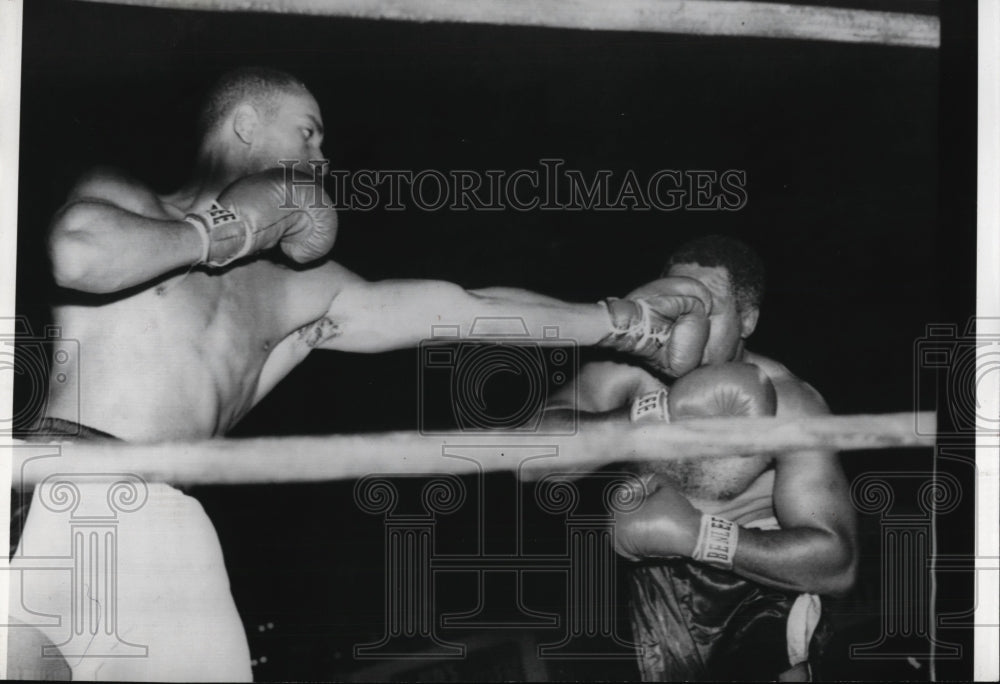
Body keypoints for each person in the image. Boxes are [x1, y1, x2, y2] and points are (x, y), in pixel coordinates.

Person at [10, 67, 717, 680]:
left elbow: (466, 309)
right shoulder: (128, 198)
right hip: (49, 485)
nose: (323, 158)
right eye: (308, 133)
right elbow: (79, 255)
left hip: (163, 521)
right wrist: (228, 231)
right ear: (245, 124)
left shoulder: (301, 291)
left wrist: (623, 320)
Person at [545, 235, 858, 681]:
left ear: (747, 320)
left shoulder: (791, 404)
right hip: (649, 593)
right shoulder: (627, 376)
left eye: (705, 312)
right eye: (676, 308)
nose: (685, 327)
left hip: (757, 589)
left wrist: (701, 536)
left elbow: (837, 564)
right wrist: (651, 414)